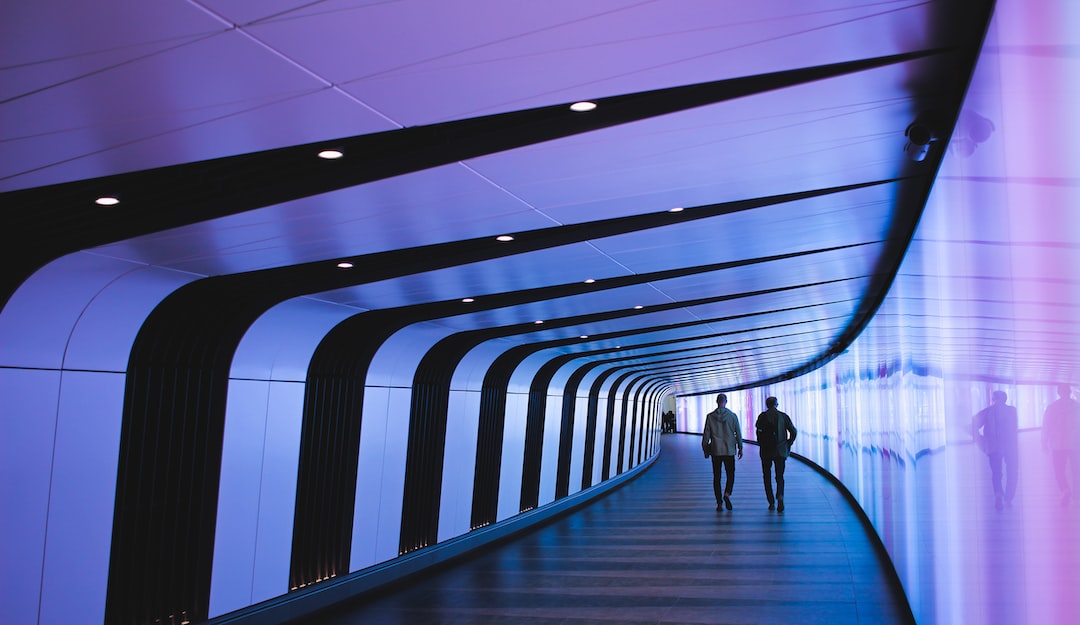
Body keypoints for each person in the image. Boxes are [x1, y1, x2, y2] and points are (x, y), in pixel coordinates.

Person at [972, 390, 1019, 510]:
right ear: (1005, 399)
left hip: (993, 447)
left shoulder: (988, 412)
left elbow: (973, 424)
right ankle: (1009, 496)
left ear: (994, 399)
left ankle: (998, 494)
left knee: (996, 473)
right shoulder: (1012, 411)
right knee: (1012, 471)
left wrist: (981, 439)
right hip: (1010, 446)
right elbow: (1014, 429)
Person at [755, 397, 797, 512]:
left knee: (766, 476)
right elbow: (793, 431)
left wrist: (761, 443)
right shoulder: (783, 416)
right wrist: (788, 443)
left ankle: (771, 502)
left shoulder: (762, 416)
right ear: (777, 404)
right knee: (779, 476)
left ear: (767, 405)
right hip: (780, 450)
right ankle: (780, 496)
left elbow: (758, 432)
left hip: (766, 451)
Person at [702, 394, 743, 510]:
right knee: (730, 474)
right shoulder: (733, 416)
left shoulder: (710, 417)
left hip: (716, 451)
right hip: (729, 450)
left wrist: (705, 449)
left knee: (717, 477)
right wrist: (740, 447)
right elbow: (738, 433)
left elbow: (706, 435)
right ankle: (727, 493)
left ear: (716, 402)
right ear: (726, 402)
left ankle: (719, 503)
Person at [1042, 384, 1079, 506]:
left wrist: (1044, 442)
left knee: (1059, 470)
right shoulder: (1077, 407)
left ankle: (1065, 489)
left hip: (1058, 445)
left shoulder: (1052, 408)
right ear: (1069, 392)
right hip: (1075, 444)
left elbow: (1046, 426)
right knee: (1076, 470)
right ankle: (1077, 494)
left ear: (1059, 392)